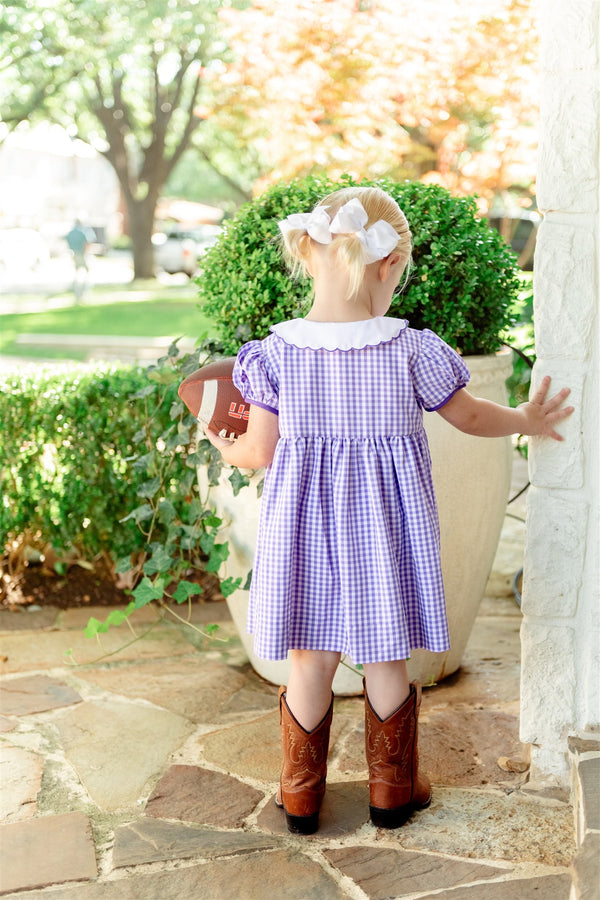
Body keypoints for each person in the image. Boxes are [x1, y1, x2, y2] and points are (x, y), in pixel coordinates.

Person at [202, 186, 574, 835]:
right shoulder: (409, 350)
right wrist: (525, 418)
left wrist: (217, 435)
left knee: (309, 658)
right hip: (386, 528)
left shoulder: (276, 354)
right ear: (390, 264)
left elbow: (256, 452)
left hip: (304, 529)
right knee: (385, 654)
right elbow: (469, 414)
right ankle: (392, 790)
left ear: (309, 255)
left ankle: (299, 796)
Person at [65, 220, 94, 301]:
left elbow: (67, 241)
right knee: (86, 270)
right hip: (82, 253)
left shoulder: (71, 232)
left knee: (77, 270)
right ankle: (83, 289)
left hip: (73, 253)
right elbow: (88, 242)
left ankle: (75, 287)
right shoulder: (83, 231)